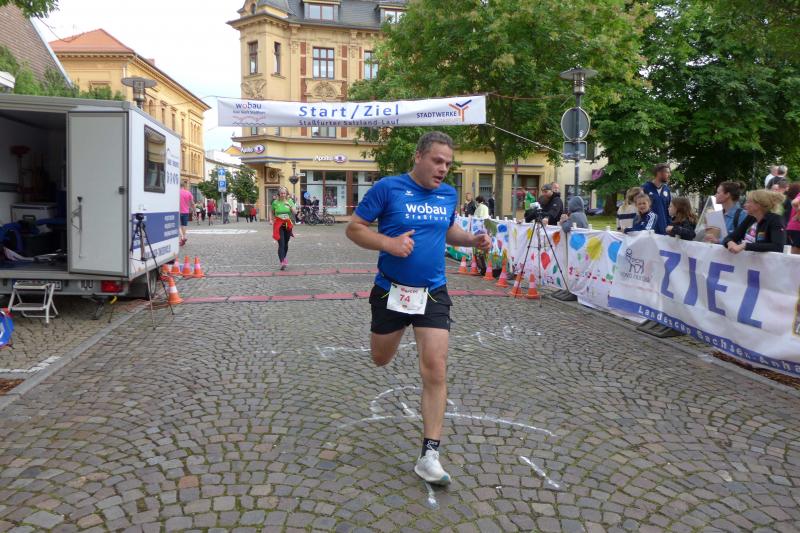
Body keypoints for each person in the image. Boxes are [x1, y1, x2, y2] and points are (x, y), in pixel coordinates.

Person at [345, 131, 491, 485]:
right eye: (437, 161)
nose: (443, 169)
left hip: (433, 292)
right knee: (381, 358)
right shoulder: (388, 188)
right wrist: (388, 243)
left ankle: (429, 455)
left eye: (448, 163)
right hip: (391, 291)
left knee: (435, 369)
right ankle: (387, 339)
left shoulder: (448, 194)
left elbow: (447, 230)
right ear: (419, 157)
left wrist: (472, 240)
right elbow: (354, 229)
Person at [272, 186, 297, 269]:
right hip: (278, 225)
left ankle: (284, 257)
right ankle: (282, 261)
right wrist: (271, 219)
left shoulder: (290, 201)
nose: (283, 195)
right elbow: (272, 211)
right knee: (281, 243)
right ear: (279, 194)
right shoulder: (275, 202)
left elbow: (295, 212)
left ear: (286, 194)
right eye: (281, 193)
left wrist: (290, 206)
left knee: (286, 243)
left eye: (284, 193)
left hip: (287, 224)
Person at [642, 163, 671, 235]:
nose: (669, 175)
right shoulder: (645, 188)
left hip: (664, 230)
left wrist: (670, 225)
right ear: (659, 173)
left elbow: (669, 210)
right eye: (667, 172)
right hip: (649, 230)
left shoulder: (667, 189)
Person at [179, 181, 193, 246]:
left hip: (178, 212)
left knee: (178, 225)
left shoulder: (176, 192)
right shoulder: (188, 193)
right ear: (184, 186)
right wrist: (194, 211)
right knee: (184, 225)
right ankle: (183, 237)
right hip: (186, 212)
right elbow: (192, 203)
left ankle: (182, 237)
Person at [787, 185, 800, 254]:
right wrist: (798, 213)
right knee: (795, 256)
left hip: (793, 228)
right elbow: (794, 202)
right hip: (797, 229)